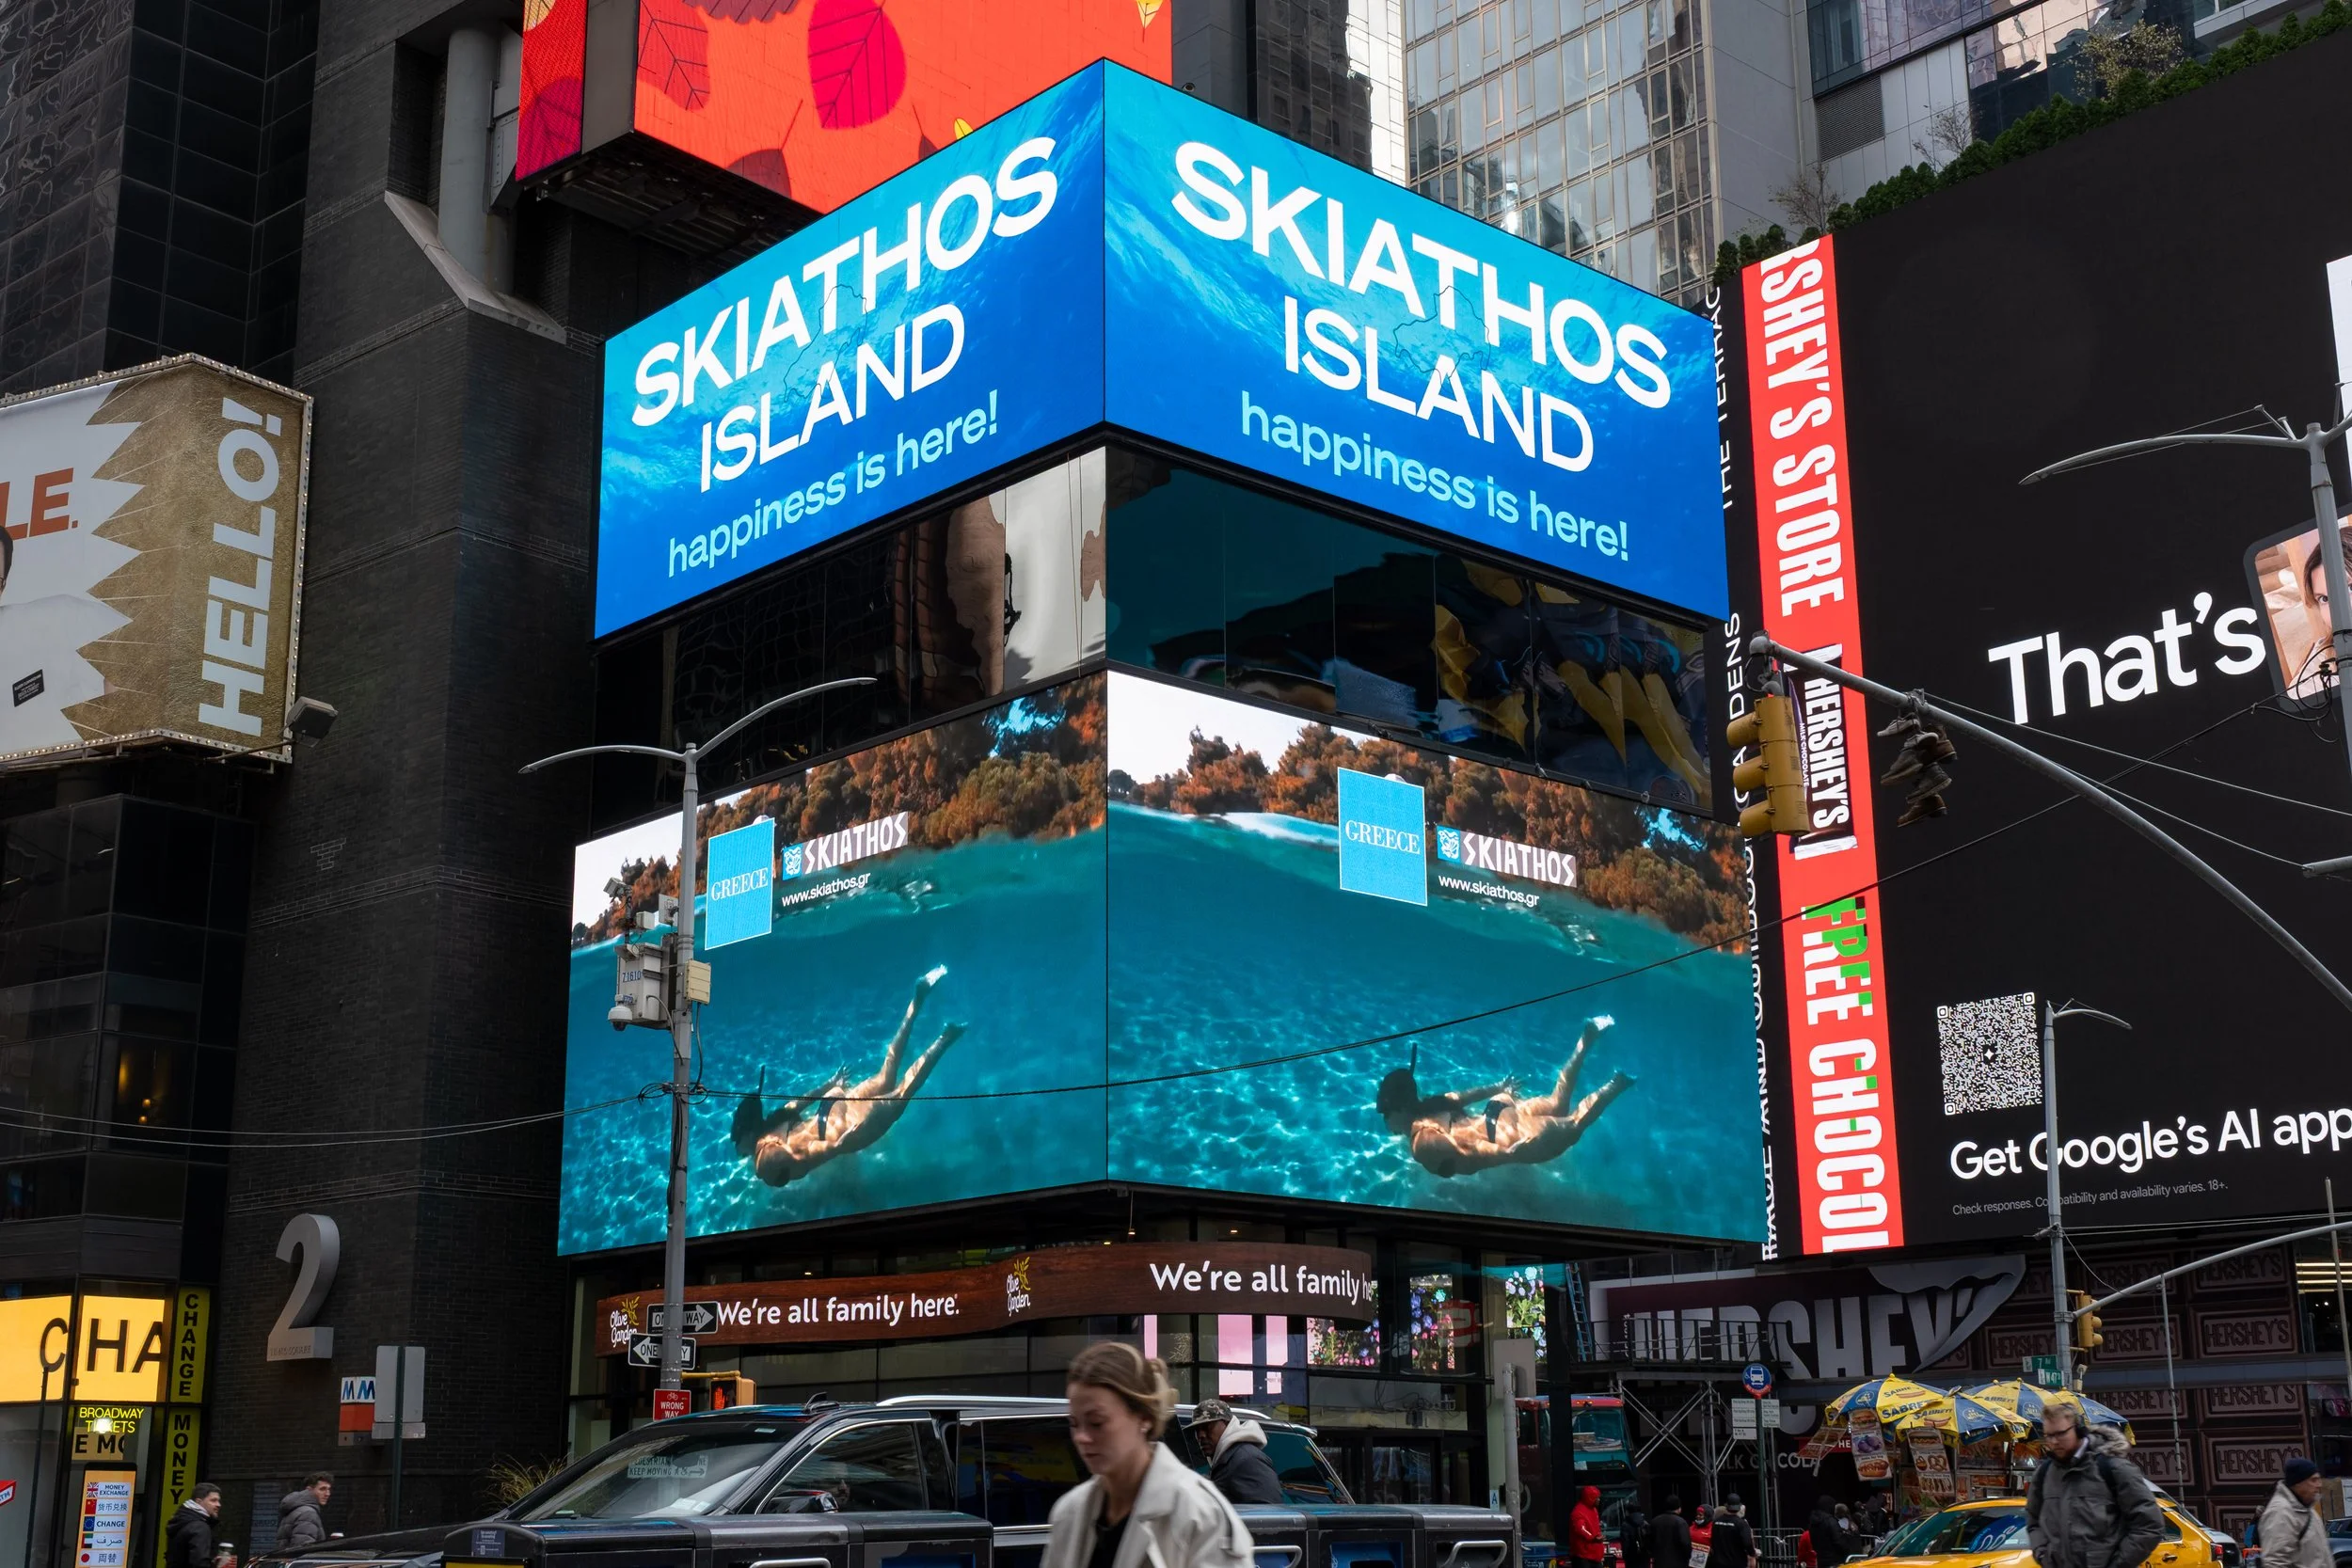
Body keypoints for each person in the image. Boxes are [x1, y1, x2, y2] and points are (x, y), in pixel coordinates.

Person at [732, 966, 963, 1186]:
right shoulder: (775, 1119)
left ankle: (946, 1037)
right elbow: (804, 1099)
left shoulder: (763, 1163)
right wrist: (832, 1085)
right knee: (887, 1071)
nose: (738, 1150)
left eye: (737, 1141)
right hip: (831, 1107)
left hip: (845, 1129)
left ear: (749, 1133)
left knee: (903, 1091)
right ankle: (918, 998)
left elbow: (803, 1156)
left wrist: (837, 1146)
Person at [1042, 1342, 1253, 1568]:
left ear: (1144, 1418)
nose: (1081, 1437)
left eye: (1097, 1422)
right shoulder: (1070, 1512)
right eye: (1074, 1423)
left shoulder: (1200, 1513)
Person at [1383, 1017, 1636, 1178]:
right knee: (1558, 1101)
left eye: (1386, 1114)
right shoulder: (1433, 1103)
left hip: (1507, 1137)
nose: (1386, 1123)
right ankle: (1587, 1037)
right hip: (1497, 1111)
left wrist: (1506, 1153)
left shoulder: (1422, 1141)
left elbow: (1469, 1151)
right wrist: (1499, 1089)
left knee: (1574, 1124)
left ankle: (1618, 1083)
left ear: (1400, 1109)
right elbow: (1466, 1096)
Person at [2026, 1402, 2162, 1568]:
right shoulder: (2044, 1473)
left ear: (2078, 1430)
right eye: (2048, 1435)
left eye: (2060, 1434)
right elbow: (2033, 1521)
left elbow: (2149, 1525)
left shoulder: (2113, 1468)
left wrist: (2118, 1564)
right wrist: (2042, 1553)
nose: (2054, 1442)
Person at [1186, 1397, 1285, 1506]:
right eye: (1197, 1430)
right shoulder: (1227, 1459)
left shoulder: (1247, 1460)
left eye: (1207, 1427)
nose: (1201, 1435)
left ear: (1226, 1424)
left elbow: (1269, 1514)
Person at [2257, 1458, 2331, 1568]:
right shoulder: (2281, 1513)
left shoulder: (2307, 1510)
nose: (2319, 1485)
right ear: (2298, 1483)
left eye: (2318, 1479)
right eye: (2313, 1480)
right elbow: (2274, 1563)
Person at [166, 1483, 223, 1568]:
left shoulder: (182, 1521)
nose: (218, 1505)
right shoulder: (200, 1527)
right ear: (198, 1502)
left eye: (218, 1501)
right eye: (213, 1500)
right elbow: (200, 1563)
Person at [278, 1474, 332, 1549]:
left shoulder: (297, 1509)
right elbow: (302, 1549)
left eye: (329, 1489)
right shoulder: (308, 1513)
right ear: (309, 1490)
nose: (327, 1494)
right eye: (322, 1489)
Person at [1570, 1486, 1609, 1568]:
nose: (1599, 1500)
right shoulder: (1578, 1511)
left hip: (1593, 1554)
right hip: (1584, 1556)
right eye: (1596, 1498)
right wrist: (1593, 1538)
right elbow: (1581, 1529)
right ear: (1590, 1498)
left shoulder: (1593, 1509)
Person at [1650, 1497, 1692, 1568]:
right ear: (1679, 1508)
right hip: (1678, 1562)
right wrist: (1688, 1556)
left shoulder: (1655, 1521)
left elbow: (1649, 1541)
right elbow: (1685, 1543)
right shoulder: (1681, 1522)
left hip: (1659, 1562)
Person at [1712, 1501, 1756, 1568]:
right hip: (1736, 1562)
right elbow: (1747, 1542)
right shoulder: (1741, 1523)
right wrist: (1752, 1553)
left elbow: (1713, 1539)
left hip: (1719, 1562)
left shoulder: (1716, 1522)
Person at [1689, 1503, 1715, 1568]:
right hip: (1691, 1563)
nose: (1698, 1516)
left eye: (1700, 1515)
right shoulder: (1691, 1527)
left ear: (1707, 1516)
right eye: (1697, 1514)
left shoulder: (1713, 1529)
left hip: (1708, 1563)